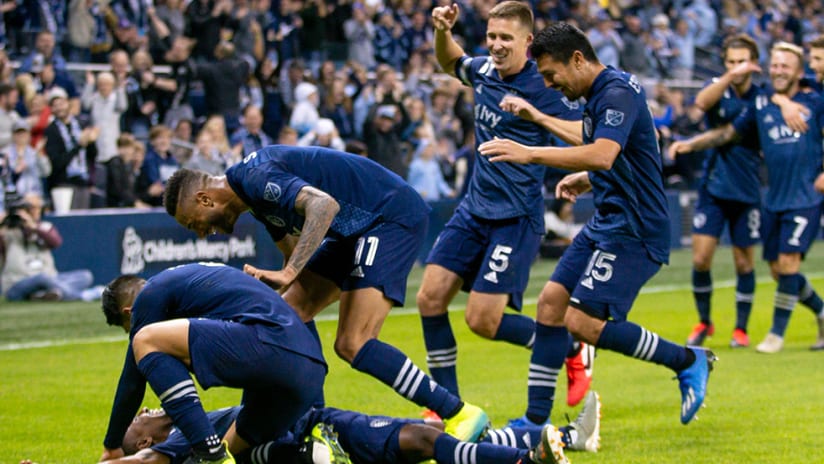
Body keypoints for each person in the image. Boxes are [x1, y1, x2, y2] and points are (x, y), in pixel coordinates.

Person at [163, 145, 489, 443]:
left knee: (353, 342)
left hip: (388, 217)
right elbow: (292, 258)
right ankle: (308, 424)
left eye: (196, 224)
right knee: (281, 318)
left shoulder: (256, 177)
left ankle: (459, 412)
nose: (204, 233)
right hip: (353, 230)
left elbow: (323, 205)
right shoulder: (254, 198)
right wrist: (277, 284)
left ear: (205, 199)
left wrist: (289, 273)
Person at [477, 22, 716, 427]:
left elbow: (604, 153)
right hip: (609, 218)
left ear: (577, 59)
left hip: (635, 227)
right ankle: (535, 422)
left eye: (552, 75)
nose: (550, 85)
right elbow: (630, 150)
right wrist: (589, 177)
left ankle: (687, 359)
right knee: (551, 304)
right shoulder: (602, 93)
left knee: (583, 322)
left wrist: (532, 154)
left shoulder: (616, 92)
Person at [417, 2, 591, 437]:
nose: (495, 45)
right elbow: (451, 60)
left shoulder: (545, 84)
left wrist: (536, 117)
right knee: (429, 298)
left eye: (505, 39)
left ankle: (569, 345)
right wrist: (442, 31)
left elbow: (584, 136)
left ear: (527, 43)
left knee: (483, 321)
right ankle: (445, 407)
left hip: (515, 218)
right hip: (473, 209)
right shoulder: (484, 72)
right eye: (491, 36)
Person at [669, 42, 824, 353]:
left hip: (805, 193)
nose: (779, 70)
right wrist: (693, 143)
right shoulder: (764, 101)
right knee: (778, 270)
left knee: (788, 263)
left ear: (798, 71)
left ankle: (775, 335)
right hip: (774, 197)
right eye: (775, 65)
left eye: (786, 66)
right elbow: (727, 133)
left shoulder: (815, 101)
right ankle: (821, 311)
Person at [98, 262, 328, 464]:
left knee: (145, 341)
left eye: (129, 327)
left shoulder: (149, 296)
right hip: (309, 372)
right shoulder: (198, 284)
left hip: (273, 350)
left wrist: (112, 445)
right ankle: (316, 443)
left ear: (129, 313)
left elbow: (132, 381)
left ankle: (208, 450)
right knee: (236, 453)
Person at [91, 390, 602, 464]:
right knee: (429, 439)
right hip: (306, 437)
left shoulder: (192, 423)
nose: (141, 413)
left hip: (319, 424)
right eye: (138, 423)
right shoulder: (181, 440)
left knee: (425, 436)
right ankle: (526, 457)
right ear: (145, 442)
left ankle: (557, 441)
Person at [669, 34, 765, 348]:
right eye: (730, 62)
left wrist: (691, 143)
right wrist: (727, 77)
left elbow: (726, 134)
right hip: (713, 186)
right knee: (700, 259)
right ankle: (704, 322)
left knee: (744, 263)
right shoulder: (718, 88)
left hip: (747, 187)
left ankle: (741, 328)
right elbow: (700, 103)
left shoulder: (760, 99)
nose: (736, 68)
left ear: (754, 63)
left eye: (742, 62)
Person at [0, 192, 100, 301]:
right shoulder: (8, 232)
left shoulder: (44, 227)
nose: (35, 211)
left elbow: (55, 242)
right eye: (30, 207)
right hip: (17, 283)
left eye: (38, 207)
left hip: (50, 278)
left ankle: (41, 295)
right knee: (42, 278)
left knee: (85, 276)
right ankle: (83, 295)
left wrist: (32, 226)